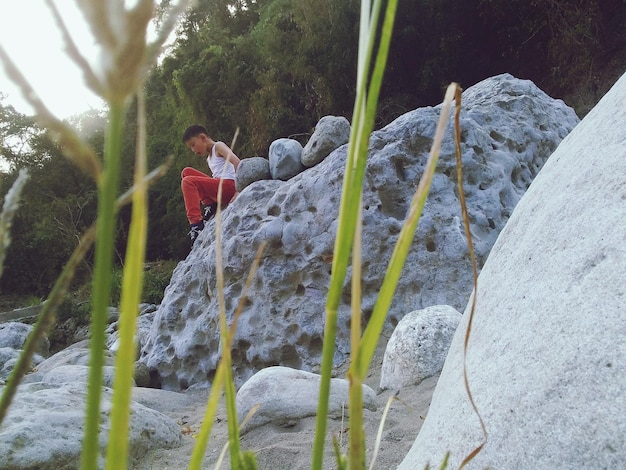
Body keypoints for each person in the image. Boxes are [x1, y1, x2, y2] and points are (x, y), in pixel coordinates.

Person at [180, 125, 240, 243]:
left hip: (229, 186)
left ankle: (196, 224)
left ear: (203, 138)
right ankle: (211, 204)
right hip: (220, 187)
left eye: (193, 145)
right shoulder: (209, 158)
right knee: (186, 173)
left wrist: (239, 189)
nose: (193, 150)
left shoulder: (218, 146)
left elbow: (237, 162)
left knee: (188, 182)